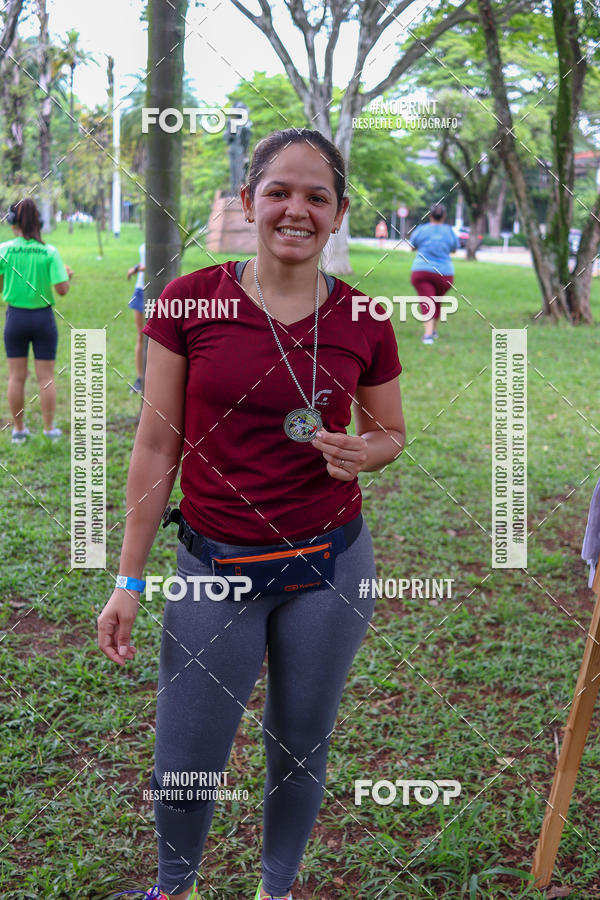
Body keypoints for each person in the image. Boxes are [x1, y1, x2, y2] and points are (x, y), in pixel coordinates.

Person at [98, 128, 405, 900]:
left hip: (329, 568)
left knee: (300, 742)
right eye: (279, 191)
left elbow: (392, 430)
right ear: (248, 202)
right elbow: (153, 450)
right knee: (188, 750)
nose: (295, 210)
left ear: (337, 216)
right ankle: (173, 888)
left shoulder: (365, 317)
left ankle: (278, 890)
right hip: (213, 568)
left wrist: (367, 452)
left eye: (317, 197)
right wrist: (128, 582)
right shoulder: (189, 299)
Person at [1, 199, 72, 442]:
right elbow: (62, 289)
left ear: (14, 224)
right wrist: (67, 275)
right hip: (43, 319)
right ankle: (49, 429)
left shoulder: (4, 250)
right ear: (39, 223)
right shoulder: (49, 251)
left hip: (15, 318)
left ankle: (19, 431)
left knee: (16, 376)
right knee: (46, 377)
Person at [408, 203, 459, 345]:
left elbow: (412, 247)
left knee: (428, 301)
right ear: (444, 216)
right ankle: (432, 331)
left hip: (422, 270)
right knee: (436, 300)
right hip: (445, 273)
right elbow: (454, 249)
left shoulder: (422, 230)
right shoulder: (449, 231)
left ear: (430, 215)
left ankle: (429, 335)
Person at [127, 242, 146, 393]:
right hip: (139, 290)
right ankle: (140, 379)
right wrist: (136, 268)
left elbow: (157, 263)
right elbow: (146, 261)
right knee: (140, 336)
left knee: (152, 338)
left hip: (152, 289)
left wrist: (136, 269)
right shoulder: (150, 233)